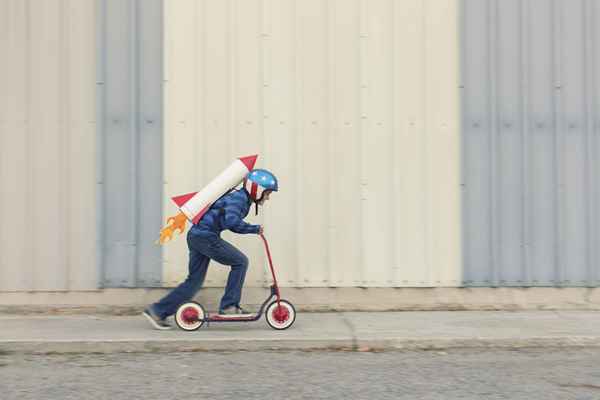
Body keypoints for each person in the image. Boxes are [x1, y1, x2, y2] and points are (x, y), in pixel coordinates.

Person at [143, 169, 279, 330]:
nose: (268, 197)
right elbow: (232, 222)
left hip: (197, 235)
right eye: (267, 193)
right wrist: (254, 229)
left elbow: (229, 220)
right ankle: (229, 306)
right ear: (256, 189)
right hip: (205, 237)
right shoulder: (239, 199)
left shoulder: (240, 198)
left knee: (193, 282)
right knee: (240, 262)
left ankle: (157, 311)